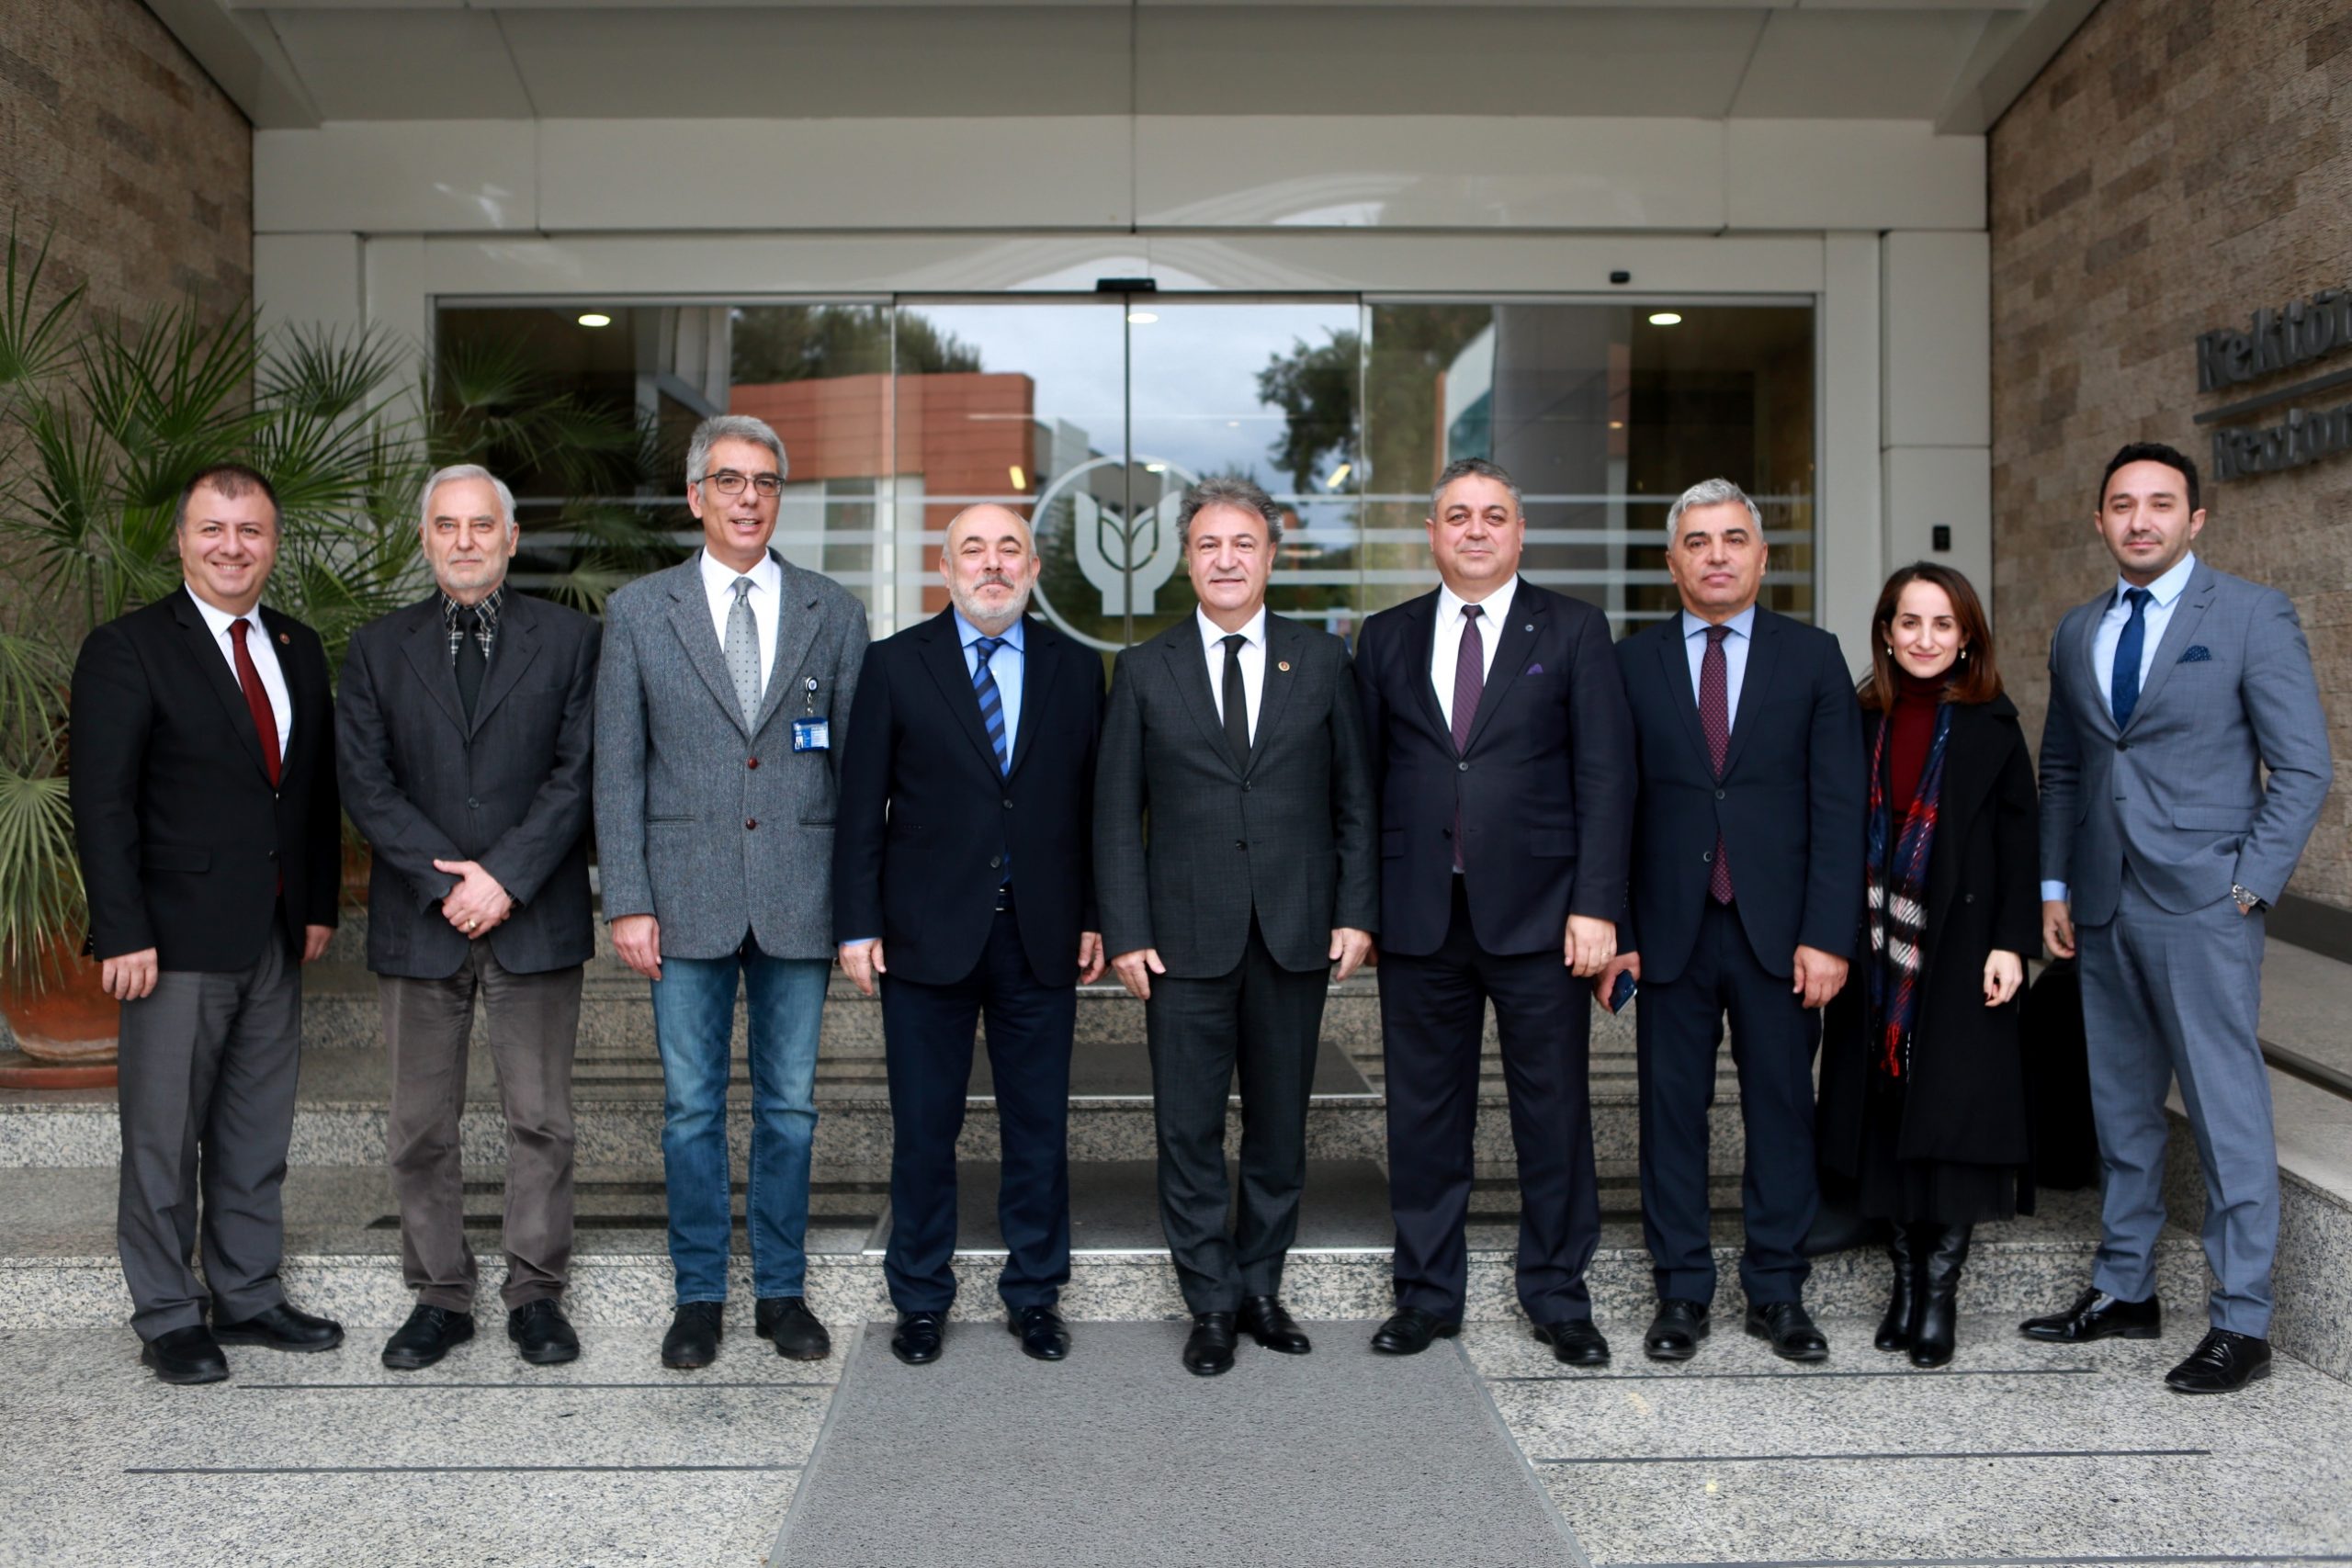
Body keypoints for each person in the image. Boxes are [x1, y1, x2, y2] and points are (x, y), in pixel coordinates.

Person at [2023, 441, 2331, 1394]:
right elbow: (2067, 768)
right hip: (2102, 902)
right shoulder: (2079, 630)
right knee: (2120, 1110)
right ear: (2100, 520)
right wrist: (2052, 888)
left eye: (2161, 503)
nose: (2141, 519)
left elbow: (2304, 766)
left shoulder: (2247, 615)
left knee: (2225, 1112)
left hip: (2203, 902)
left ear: (2194, 520)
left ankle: (2242, 1322)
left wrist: (2249, 883)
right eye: (2122, 504)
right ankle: (2124, 1289)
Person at [594, 414, 867, 1371]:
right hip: (682, 896)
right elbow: (616, 769)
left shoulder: (832, 611)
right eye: (729, 480)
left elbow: (857, 770)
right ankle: (700, 1295)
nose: (748, 498)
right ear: (695, 496)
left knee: (790, 1107)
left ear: (778, 497)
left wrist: (859, 909)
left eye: (764, 482)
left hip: (801, 893)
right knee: (690, 1109)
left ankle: (780, 1293)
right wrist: (626, 897)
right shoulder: (638, 613)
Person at [1352, 457, 1634, 1363]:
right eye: (1457, 516)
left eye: (1493, 516)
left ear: (1519, 532)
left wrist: (1598, 905)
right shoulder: (1385, 637)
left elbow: (1605, 776)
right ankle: (1427, 1293)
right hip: (1417, 915)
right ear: (1431, 534)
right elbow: (1360, 786)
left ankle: (1556, 1294)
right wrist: (1359, 910)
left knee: (1550, 1114)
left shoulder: (1577, 629)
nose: (1475, 530)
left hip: (1544, 916)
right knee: (1423, 1113)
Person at [1094, 475, 1377, 1376]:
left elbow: (1356, 804)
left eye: (1243, 544)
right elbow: (1113, 816)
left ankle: (1260, 1285)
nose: (1226, 559)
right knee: (1185, 1128)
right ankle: (1209, 1300)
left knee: (1279, 1126)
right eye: (1209, 545)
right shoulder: (1143, 668)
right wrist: (1127, 929)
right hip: (1181, 941)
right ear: (1185, 560)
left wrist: (1356, 914)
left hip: (1294, 930)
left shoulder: (1324, 661)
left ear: (1270, 558)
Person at [69, 463, 345, 1385]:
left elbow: (307, 791)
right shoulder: (129, 648)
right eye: (213, 529)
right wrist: (121, 931)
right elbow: (101, 804)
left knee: (256, 1129)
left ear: (274, 542)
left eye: (251, 531)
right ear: (182, 539)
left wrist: (313, 906)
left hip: (273, 932)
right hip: (172, 938)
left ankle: (249, 1294)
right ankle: (167, 1312)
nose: (233, 547)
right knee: (162, 1135)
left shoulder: (299, 646)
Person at [336, 465, 601, 1371]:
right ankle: (440, 1295)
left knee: (542, 1120)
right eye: (446, 525)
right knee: (419, 1125)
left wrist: (506, 878)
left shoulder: (572, 642)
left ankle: (535, 1293)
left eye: (480, 525)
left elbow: (579, 774)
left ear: (511, 538)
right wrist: (446, 880)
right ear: (425, 539)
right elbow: (365, 783)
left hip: (531, 911)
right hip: (421, 916)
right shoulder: (376, 650)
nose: (463, 540)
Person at [1596, 477, 1864, 1364]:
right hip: (1667, 930)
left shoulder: (1814, 656)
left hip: (1782, 933)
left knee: (1782, 1109)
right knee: (1671, 1112)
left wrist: (1829, 933)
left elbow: (1839, 806)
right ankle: (1680, 1292)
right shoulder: (1629, 665)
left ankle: (1778, 1290)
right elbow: (1615, 806)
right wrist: (1618, 927)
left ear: (1762, 554)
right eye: (1699, 541)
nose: (1717, 554)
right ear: (1671, 559)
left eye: (1734, 538)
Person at [833, 504, 1105, 1367]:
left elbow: (1095, 809)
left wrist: (1097, 913)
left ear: (1033, 568)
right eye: (974, 550)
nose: (992, 565)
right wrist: (856, 922)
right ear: (943, 569)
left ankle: (1035, 1293)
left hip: (1042, 933)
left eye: (1009, 549)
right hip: (924, 935)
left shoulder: (1077, 667)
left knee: (1038, 1126)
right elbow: (858, 809)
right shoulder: (892, 665)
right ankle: (919, 1297)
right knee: (923, 1127)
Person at [1817, 564, 2038, 1370]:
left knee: (1949, 1120)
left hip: (1962, 949)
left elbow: (2021, 842)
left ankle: (1938, 1297)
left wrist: (2013, 943)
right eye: (1909, 623)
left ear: (1967, 635)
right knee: (1887, 1112)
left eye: (1942, 625)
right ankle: (1903, 1285)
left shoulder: (1993, 724)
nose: (1924, 639)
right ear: (1885, 630)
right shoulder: (1857, 715)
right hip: (1874, 946)